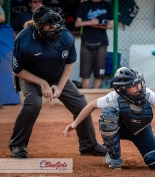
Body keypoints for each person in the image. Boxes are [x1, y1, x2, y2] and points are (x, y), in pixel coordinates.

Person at [10, 5, 106, 158]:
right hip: (31, 76)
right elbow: (18, 70)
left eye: (54, 23)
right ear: (36, 25)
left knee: (81, 104)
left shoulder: (65, 36)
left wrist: (60, 86)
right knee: (33, 104)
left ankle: (89, 145)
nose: (53, 28)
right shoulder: (24, 39)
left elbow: (69, 63)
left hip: (56, 75)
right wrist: (42, 83)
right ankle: (18, 145)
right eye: (48, 24)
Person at [63, 67, 155, 170]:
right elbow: (91, 105)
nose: (138, 88)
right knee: (107, 116)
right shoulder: (114, 97)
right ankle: (114, 157)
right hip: (121, 129)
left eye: (138, 84)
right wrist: (75, 123)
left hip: (141, 129)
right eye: (133, 86)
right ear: (122, 89)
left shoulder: (146, 93)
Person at [75, 0, 114, 89]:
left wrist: (102, 25)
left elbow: (112, 25)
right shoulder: (84, 5)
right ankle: (85, 101)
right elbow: (77, 23)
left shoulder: (107, 5)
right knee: (85, 74)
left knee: (99, 74)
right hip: (86, 41)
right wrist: (89, 22)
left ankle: (96, 101)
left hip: (102, 41)